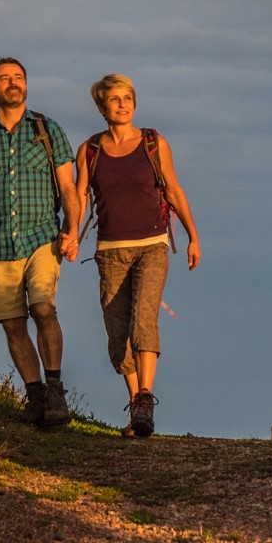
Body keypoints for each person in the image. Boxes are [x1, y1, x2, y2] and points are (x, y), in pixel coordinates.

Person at [0, 57, 82, 427]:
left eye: (18, 77)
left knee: (43, 309)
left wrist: (72, 231)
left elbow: (69, 188)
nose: (13, 83)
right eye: (4, 79)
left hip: (42, 237)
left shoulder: (47, 129)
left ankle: (55, 390)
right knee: (11, 323)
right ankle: (35, 395)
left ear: (26, 85)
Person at [76, 73, 200, 439]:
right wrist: (69, 235)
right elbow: (80, 198)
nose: (123, 104)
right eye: (114, 99)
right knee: (118, 334)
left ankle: (146, 397)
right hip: (109, 251)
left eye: (127, 97)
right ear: (101, 107)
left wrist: (193, 237)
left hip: (153, 245)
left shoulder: (152, 143)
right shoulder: (90, 150)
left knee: (143, 319)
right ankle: (137, 410)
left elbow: (174, 190)